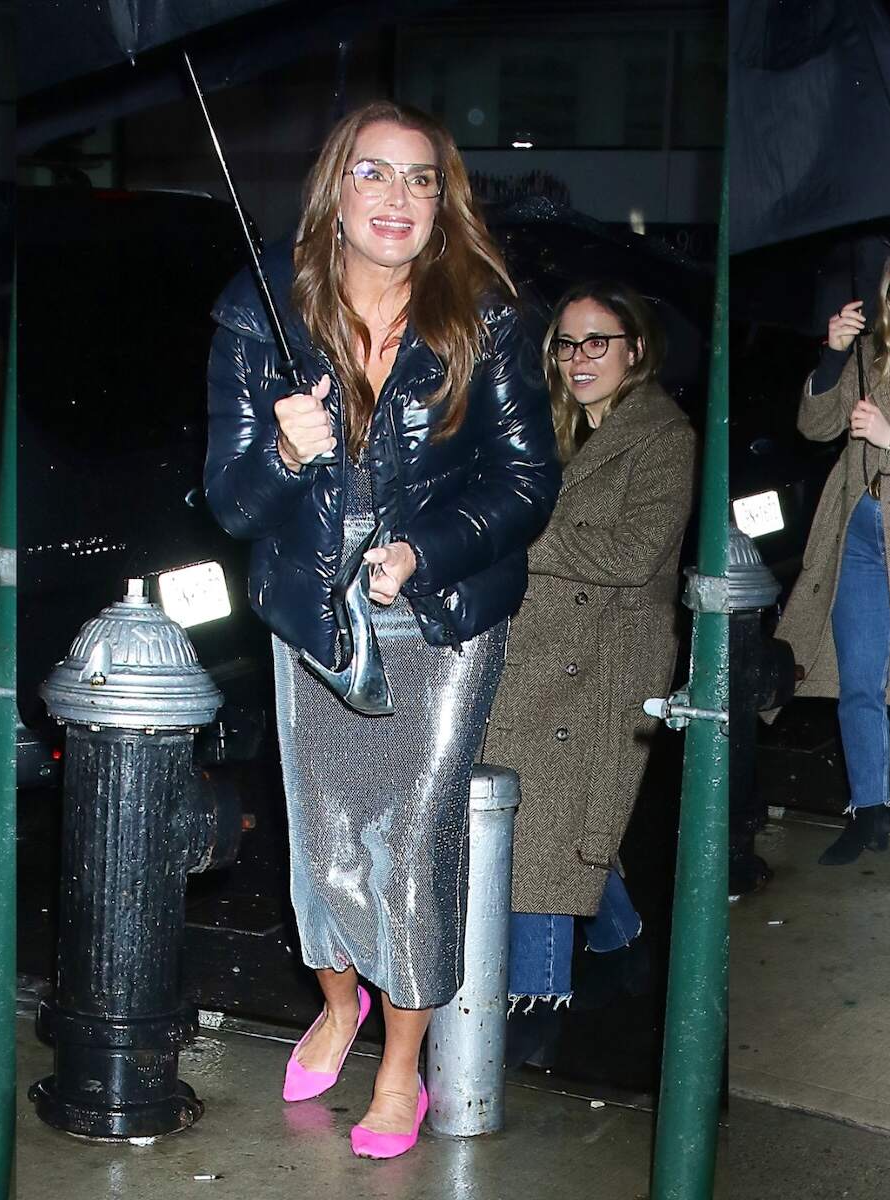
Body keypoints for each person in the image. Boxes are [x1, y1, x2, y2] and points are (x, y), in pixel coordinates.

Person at [203, 100, 558, 1160]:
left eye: (420, 179)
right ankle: (339, 1000)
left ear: (443, 204)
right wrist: (281, 450)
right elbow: (227, 500)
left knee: (411, 846)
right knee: (322, 851)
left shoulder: (483, 317)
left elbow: (528, 482)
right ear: (334, 192)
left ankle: (402, 1066)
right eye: (374, 174)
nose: (397, 198)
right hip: (314, 608)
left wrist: (424, 552)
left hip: (439, 614)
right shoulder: (256, 313)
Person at [482, 282, 694, 1060]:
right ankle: (619, 928)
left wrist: (513, 536)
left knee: (548, 820)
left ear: (635, 349)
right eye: (567, 344)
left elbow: (632, 555)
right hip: (534, 645)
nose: (579, 359)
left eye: (596, 342)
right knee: (549, 820)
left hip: (604, 658)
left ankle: (533, 1002)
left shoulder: (664, 436)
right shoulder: (554, 428)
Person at [774, 232, 890, 866]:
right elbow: (815, 425)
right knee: (859, 676)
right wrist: (832, 355)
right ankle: (868, 808)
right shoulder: (874, 356)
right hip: (861, 528)